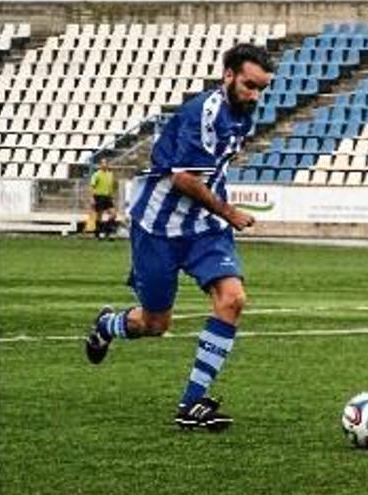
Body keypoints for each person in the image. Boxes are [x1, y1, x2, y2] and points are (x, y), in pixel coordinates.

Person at [85, 43, 274, 431]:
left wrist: (219, 213)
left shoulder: (244, 114)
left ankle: (191, 405)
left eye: (261, 88)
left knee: (232, 300)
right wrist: (230, 211)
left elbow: (212, 171)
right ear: (228, 76)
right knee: (155, 324)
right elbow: (184, 178)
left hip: (205, 228)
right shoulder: (201, 114)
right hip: (158, 227)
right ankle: (108, 326)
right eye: (250, 85)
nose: (255, 95)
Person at [90, 159, 118, 240]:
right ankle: (98, 233)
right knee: (99, 215)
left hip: (108, 197)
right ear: (100, 165)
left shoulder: (110, 174)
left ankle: (107, 231)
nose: (105, 165)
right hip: (99, 196)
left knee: (113, 214)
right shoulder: (96, 174)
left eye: (106, 163)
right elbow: (92, 186)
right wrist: (92, 198)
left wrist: (112, 194)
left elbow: (112, 185)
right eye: (103, 163)